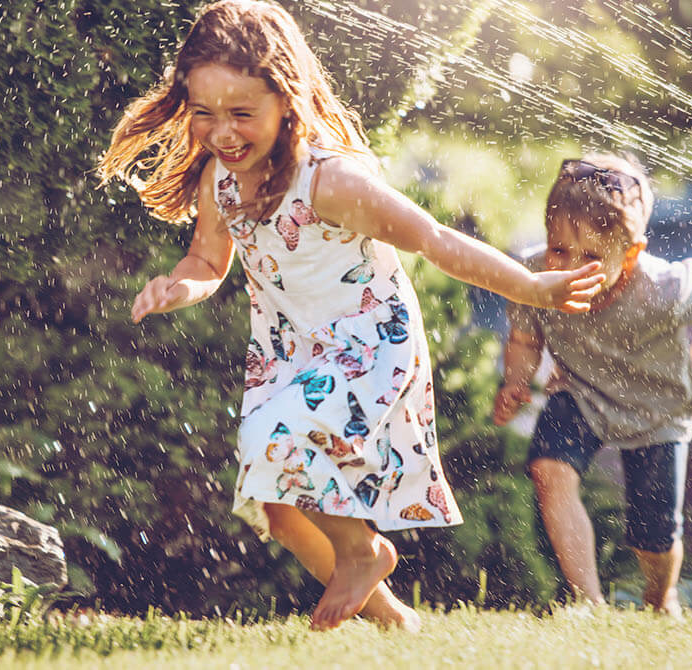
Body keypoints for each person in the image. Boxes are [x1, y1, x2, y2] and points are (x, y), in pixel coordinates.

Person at [98, 0, 605, 631]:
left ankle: (363, 551)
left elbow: (433, 238)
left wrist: (530, 285)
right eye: (203, 113)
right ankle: (393, 621)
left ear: (286, 99)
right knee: (275, 507)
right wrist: (179, 287)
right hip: (290, 353)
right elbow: (207, 259)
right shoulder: (220, 182)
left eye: (241, 114)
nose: (221, 132)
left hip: (367, 344)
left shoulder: (330, 181)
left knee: (269, 444)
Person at [492, 154, 692, 615]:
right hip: (580, 393)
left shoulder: (666, 287)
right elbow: (526, 337)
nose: (569, 267)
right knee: (549, 469)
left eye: (591, 257)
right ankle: (588, 603)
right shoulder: (535, 278)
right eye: (559, 249)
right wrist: (516, 379)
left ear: (630, 255)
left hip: (657, 409)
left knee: (653, 536)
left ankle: (660, 596)